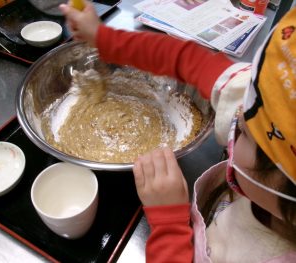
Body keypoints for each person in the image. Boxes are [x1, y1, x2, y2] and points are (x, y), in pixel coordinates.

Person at [60, 2, 296, 262]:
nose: (237, 119)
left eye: (248, 135)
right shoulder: (266, 101)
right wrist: (103, 37)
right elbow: (185, 59)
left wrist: (169, 224)